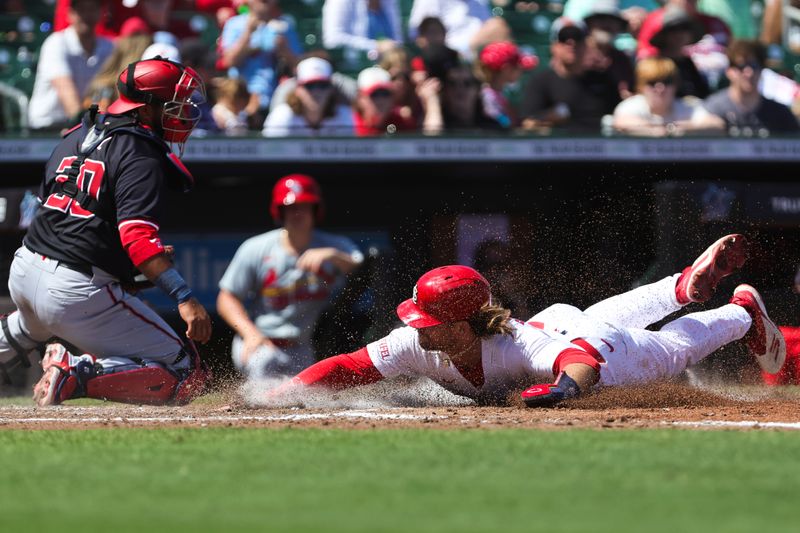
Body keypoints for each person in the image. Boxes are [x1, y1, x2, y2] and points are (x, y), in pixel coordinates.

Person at [265, 234, 786, 407]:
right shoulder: (418, 341)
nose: (416, 326)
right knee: (602, 317)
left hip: (594, 346)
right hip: (559, 324)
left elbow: (579, 360)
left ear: (463, 322)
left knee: (669, 350)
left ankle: (737, 313)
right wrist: (290, 388)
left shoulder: (512, 348)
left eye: (429, 320)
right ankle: (679, 286)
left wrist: (563, 391)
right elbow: (350, 366)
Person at [0, 57, 212, 406]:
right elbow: (137, 238)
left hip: (24, 268)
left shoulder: (76, 134)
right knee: (187, 372)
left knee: (30, 326)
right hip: (72, 289)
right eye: (175, 104)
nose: (183, 111)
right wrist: (185, 298)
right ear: (146, 110)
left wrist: (121, 265)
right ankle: (74, 376)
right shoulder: (141, 151)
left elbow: (58, 215)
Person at [216, 174, 364, 379]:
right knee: (266, 386)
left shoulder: (332, 245)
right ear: (280, 211)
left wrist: (333, 255)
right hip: (263, 342)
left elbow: (361, 266)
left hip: (303, 347)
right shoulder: (257, 248)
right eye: (291, 207)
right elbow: (226, 298)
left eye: (304, 206)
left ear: (315, 210)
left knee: (308, 397)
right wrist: (249, 333)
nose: (297, 213)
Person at [520, 21, 621, 134]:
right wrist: (548, 117)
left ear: (586, 46)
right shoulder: (540, 81)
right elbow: (527, 123)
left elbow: (619, 115)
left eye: (577, 38)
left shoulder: (603, 80)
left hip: (598, 146)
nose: (571, 44)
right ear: (554, 47)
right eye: (564, 38)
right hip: (557, 148)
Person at [28, 0, 114, 130]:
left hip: (84, 126)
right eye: (81, 10)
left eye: (92, 9)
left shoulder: (108, 47)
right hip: (47, 128)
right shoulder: (56, 43)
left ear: (100, 13)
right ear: (70, 14)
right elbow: (70, 101)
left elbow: (110, 91)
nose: (87, 15)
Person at [219, 0, 304, 114]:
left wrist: (285, 50)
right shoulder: (234, 24)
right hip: (241, 97)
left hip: (276, 97)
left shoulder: (284, 26)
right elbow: (229, 61)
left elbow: (298, 67)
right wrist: (248, 33)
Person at [704, 40, 800, 135]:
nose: (749, 73)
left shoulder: (779, 113)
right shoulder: (714, 108)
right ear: (729, 71)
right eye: (741, 66)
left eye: (754, 66)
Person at [610, 57, 724, 136]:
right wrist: (655, 131)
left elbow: (716, 124)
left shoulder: (686, 106)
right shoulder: (632, 105)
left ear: (676, 85)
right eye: (652, 82)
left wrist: (676, 129)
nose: (660, 88)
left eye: (667, 81)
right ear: (641, 86)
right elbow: (620, 123)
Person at [262, 57, 355, 136]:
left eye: (322, 85)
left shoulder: (343, 115)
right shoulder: (282, 116)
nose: (316, 91)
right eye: (310, 86)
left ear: (331, 89)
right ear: (298, 89)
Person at [475, 41, 537, 128]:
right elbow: (501, 123)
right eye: (517, 67)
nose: (521, 71)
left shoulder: (500, 93)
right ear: (506, 69)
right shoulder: (487, 96)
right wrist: (522, 124)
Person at [322, 0, 403, 57]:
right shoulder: (339, 1)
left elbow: (398, 38)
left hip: (388, 66)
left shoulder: (390, 1)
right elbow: (333, 39)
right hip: (351, 68)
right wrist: (375, 46)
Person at [352, 66, 417, 136]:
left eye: (385, 94)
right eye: (374, 94)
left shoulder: (403, 123)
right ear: (361, 98)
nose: (381, 100)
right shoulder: (347, 123)